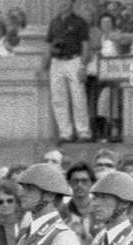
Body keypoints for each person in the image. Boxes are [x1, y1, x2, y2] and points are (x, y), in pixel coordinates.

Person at [45, 0, 92, 143]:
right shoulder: (54, 22)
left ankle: (83, 132)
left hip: (74, 59)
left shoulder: (79, 22)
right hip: (57, 61)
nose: (62, 3)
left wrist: (83, 66)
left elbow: (85, 45)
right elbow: (48, 44)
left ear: (71, 3)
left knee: (78, 97)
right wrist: (44, 65)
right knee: (58, 98)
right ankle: (65, 132)